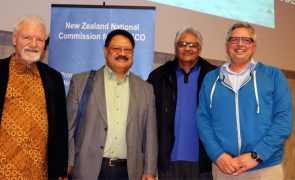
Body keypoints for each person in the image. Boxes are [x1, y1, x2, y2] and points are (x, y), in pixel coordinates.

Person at [197, 22, 293, 179]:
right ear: (227, 45)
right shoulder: (210, 79)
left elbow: (283, 121)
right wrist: (218, 155)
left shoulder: (273, 76)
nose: (240, 44)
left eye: (246, 40)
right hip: (225, 168)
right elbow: (203, 121)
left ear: (254, 46)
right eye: (234, 39)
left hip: (265, 167)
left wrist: (257, 155)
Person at [67, 29, 157, 179]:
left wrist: (149, 170)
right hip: (89, 169)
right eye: (116, 48)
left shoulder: (146, 89)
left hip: (129, 172)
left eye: (128, 49)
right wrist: (68, 161)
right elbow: (69, 127)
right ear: (105, 51)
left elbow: (150, 135)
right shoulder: (80, 82)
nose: (122, 53)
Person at [0, 15, 68, 179]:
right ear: (15, 39)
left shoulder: (53, 78)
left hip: (39, 172)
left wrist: (60, 169)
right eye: (27, 37)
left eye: (40, 39)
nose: (33, 44)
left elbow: (60, 127)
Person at [147, 26, 216, 179]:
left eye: (192, 45)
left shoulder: (214, 76)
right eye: (182, 44)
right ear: (175, 48)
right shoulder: (158, 77)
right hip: (168, 162)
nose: (187, 48)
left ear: (199, 49)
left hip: (204, 162)